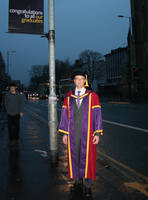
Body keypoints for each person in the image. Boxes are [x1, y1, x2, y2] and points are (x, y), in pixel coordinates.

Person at [58, 71, 103, 196]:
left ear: (85, 81)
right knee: (75, 157)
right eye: (77, 79)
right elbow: (64, 116)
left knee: (88, 158)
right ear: (74, 81)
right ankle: (78, 181)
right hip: (72, 133)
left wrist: (97, 133)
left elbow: (97, 115)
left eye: (81, 79)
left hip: (88, 133)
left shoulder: (93, 96)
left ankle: (87, 186)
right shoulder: (68, 97)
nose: (79, 81)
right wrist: (65, 134)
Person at [5, 82, 24, 147]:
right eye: (11, 87)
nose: (12, 89)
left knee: (17, 127)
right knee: (10, 128)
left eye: (13, 87)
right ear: (9, 88)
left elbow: (21, 103)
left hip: (17, 114)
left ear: (15, 88)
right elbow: (5, 103)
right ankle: (11, 140)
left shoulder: (19, 95)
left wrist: (21, 111)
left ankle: (16, 140)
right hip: (9, 114)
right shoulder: (7, 95)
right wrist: (7, 110)